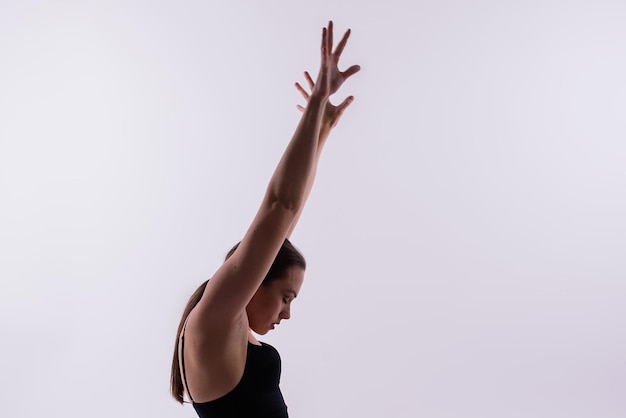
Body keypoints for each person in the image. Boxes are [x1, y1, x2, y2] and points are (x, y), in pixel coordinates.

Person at [170, 21, 360, 418]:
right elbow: (279, 207)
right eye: (286, 297)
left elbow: (288, 215)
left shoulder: (228, 326)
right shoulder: (215, 321)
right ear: (257, 280)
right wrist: (314, 108)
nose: (287, 313)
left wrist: (321, 130)